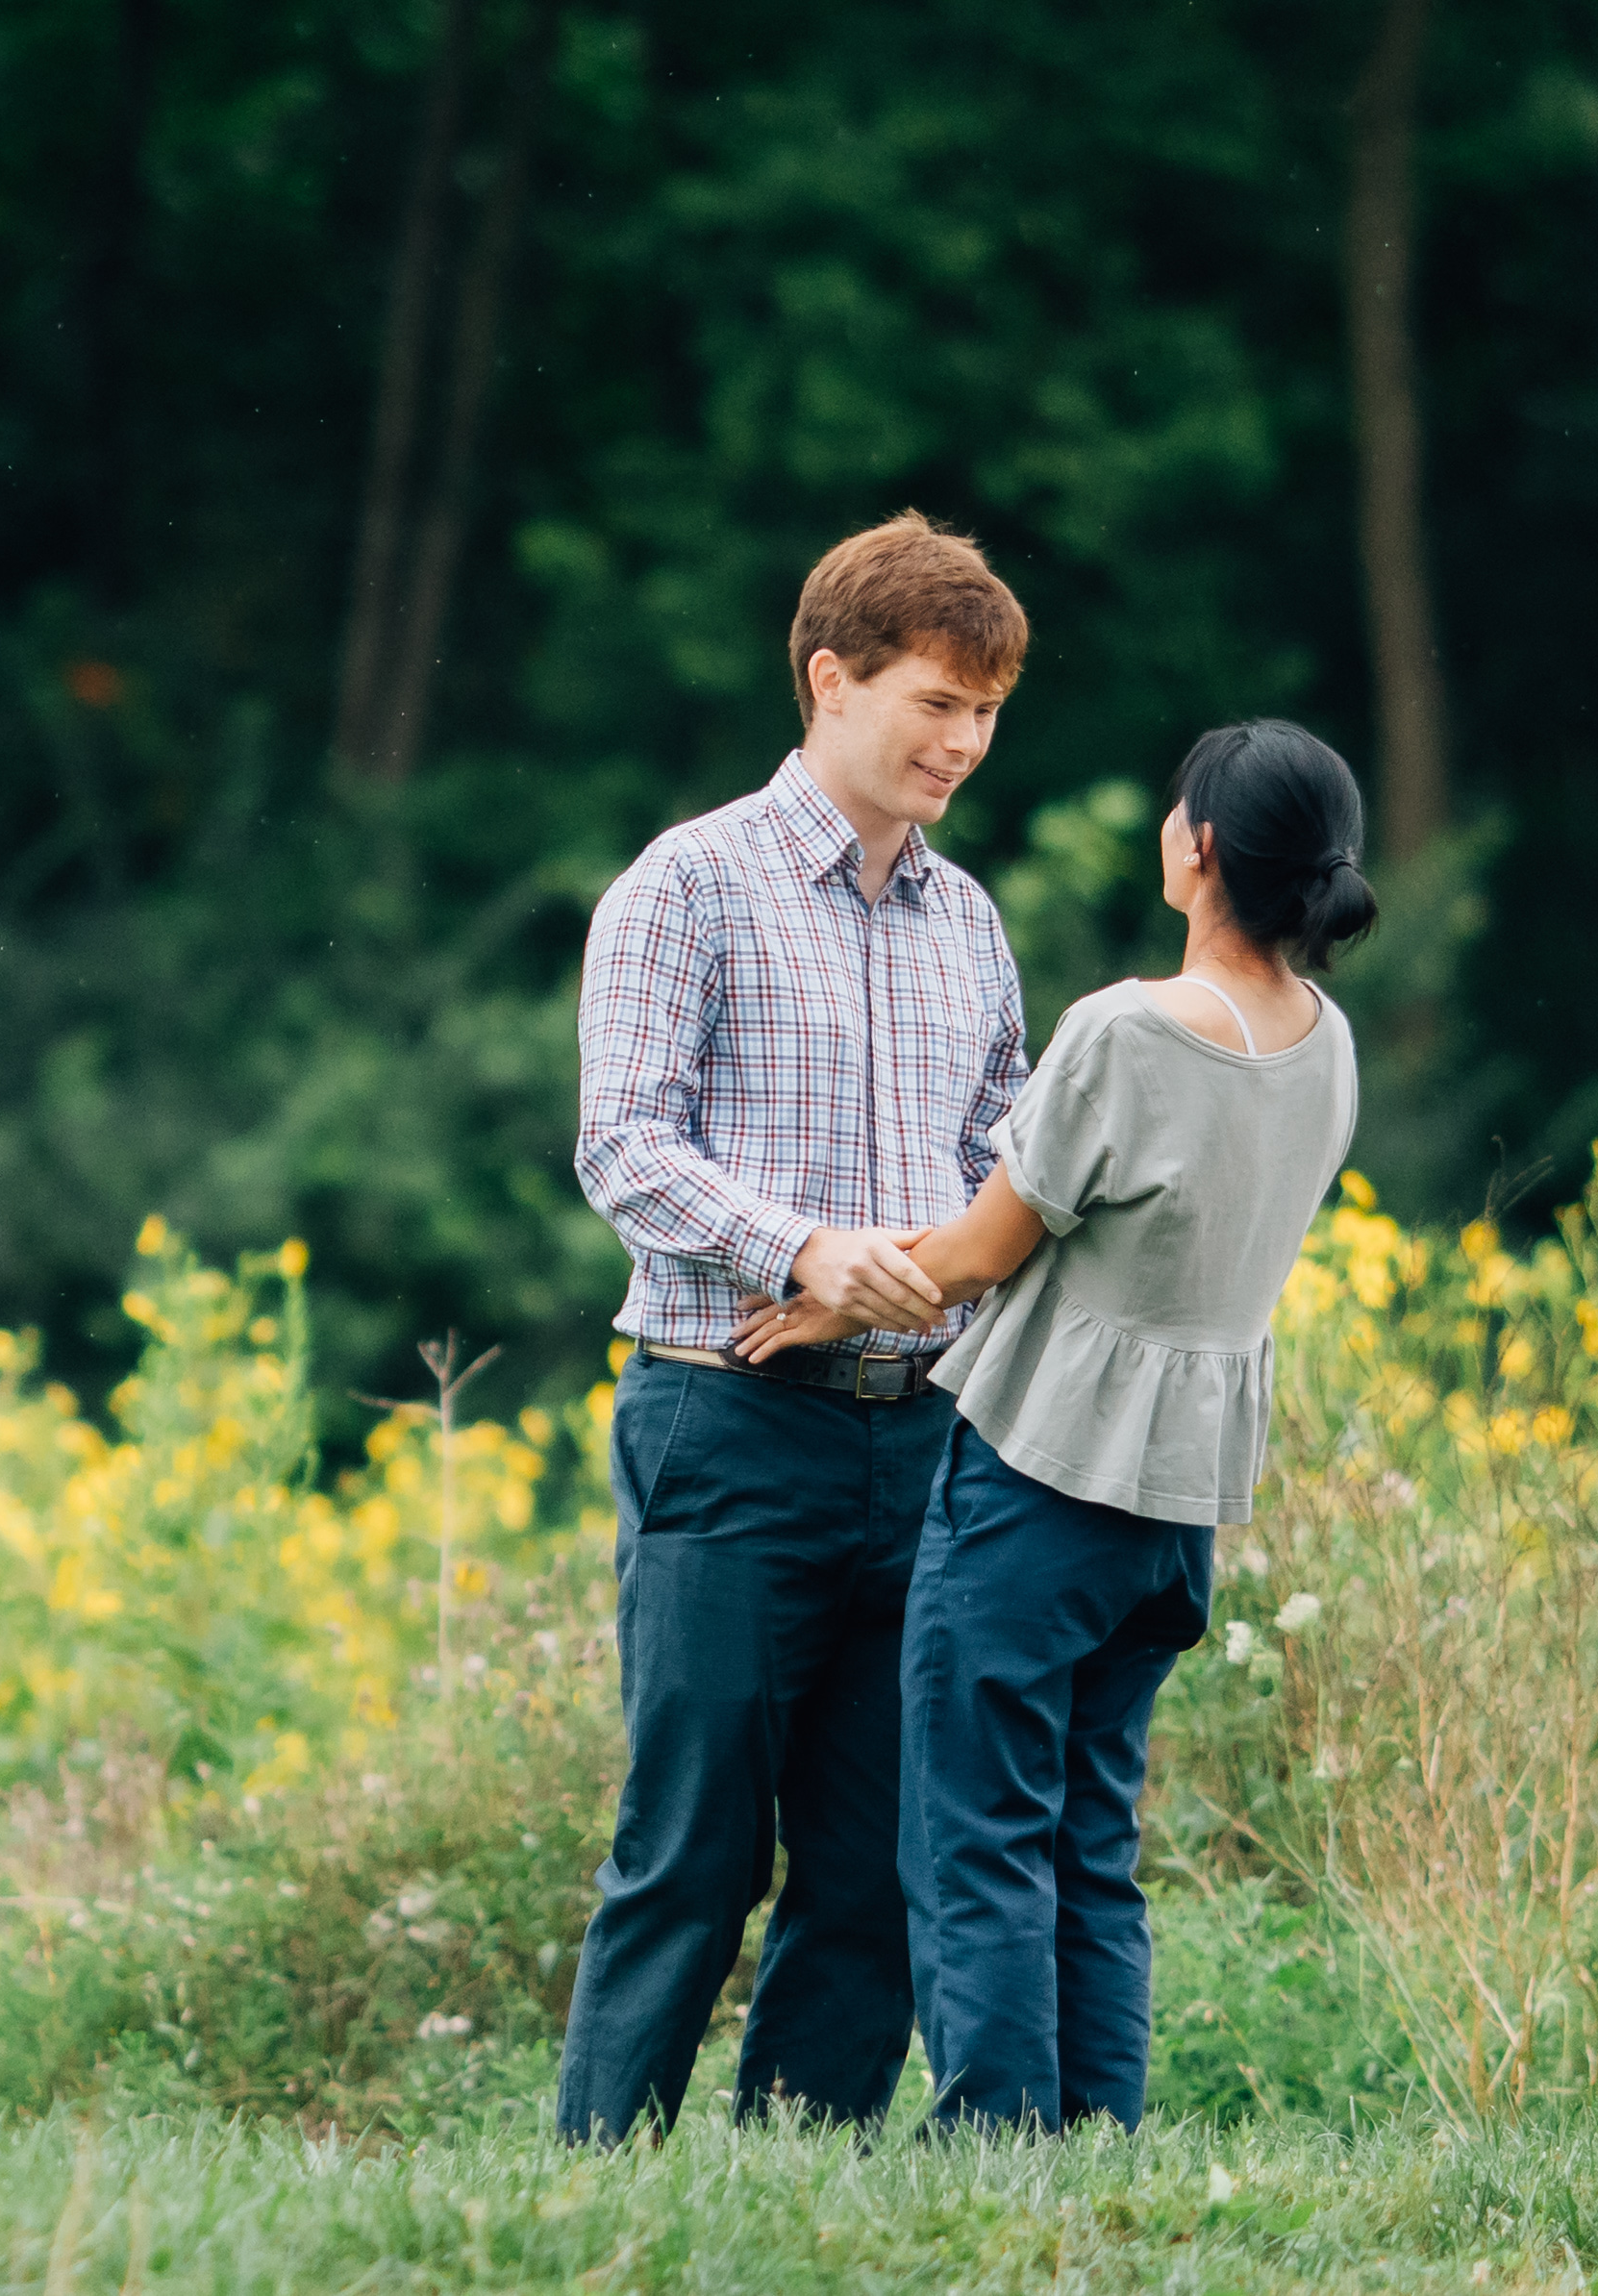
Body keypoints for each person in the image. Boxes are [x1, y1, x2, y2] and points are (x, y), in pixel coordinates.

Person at [735, 717, 1378, 2134]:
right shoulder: (1325, 1048)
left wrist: (829, 1293)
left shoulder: (1127, 1031)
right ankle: (1094, 2139)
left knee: (976, 1832)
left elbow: (976, 1252)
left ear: (1197, 848)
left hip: (1040, 1484)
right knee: (1091, 1840)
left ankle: (995, 2142)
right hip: (1179, 1504)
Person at [559, 512, 1034, 2142]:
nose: (963, 743)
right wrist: (804, 1250)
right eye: (933, 703)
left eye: (984, 713)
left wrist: (926, 1274)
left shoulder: (968, 921)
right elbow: (619, 1142)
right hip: (725, 1426)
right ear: (829, 681)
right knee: (689, 1845)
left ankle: (793, 2195)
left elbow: (1006, 1165)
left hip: (922, 1441)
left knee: (879, 1862)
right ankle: (591, 2191)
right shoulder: (685, 883)